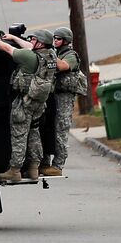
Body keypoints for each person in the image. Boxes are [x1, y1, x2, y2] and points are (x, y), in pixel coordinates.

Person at [0, 28, 58, 182]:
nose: (31, 41)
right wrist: (13, 36)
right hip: (39, 104)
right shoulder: (50, 55)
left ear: (40, 43)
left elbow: (7, 48)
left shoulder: (28, 57)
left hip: (24, 103)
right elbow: (28, 46)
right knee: (34, 133)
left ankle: (14, 171)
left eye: (34, 40)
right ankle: (34, 169)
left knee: (19, 135)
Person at [41, 27, 84, 176]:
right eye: (54, 38)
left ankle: (58, 165)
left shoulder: (70, 55)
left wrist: (49, 53)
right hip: (52, 96)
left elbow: (63, 66)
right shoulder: (55, 52)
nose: (55, 41)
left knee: (61, 130)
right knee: (46, 127)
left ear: (66, 41)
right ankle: (44, 162)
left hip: (64, 98)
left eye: (58, 39)